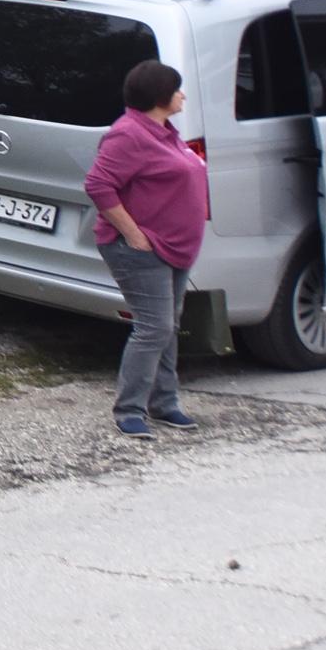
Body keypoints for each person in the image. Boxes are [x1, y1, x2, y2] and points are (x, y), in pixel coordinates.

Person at [84, 62, 210, 439]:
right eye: (177, 89)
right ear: (160, 96)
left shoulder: (164, 132)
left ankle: (165, 403)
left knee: (168, 325)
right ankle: (129, 410)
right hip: (139, 248)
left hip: (175, 247)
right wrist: (134, 234)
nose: (182, 95)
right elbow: (98, 185)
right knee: (154, 327)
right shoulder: (128, 135)